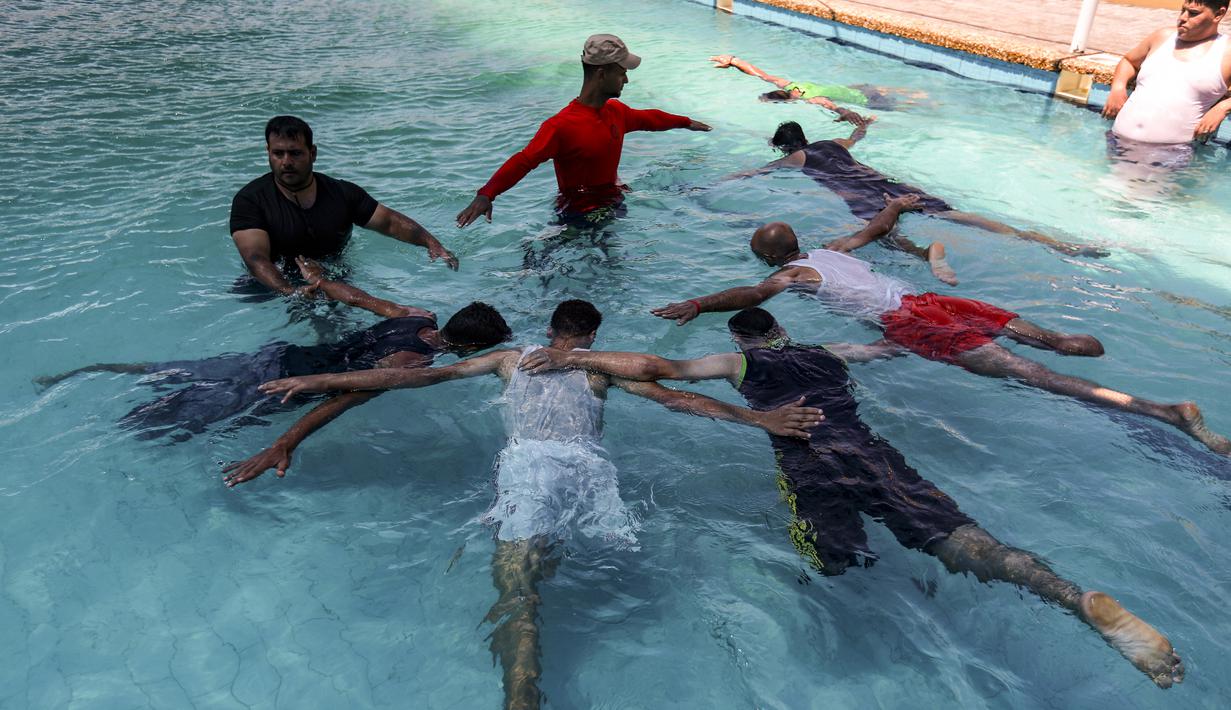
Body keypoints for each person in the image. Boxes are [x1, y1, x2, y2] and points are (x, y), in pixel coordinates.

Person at [514, 307, 1186, 689]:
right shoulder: (831, 353)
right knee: (970, 545)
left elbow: (659, 371)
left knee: (830, 564)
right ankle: (1071, 597)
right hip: (874, 454)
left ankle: (865, 603)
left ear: (742, 339)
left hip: (810, 467)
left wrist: (576, 359)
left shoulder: (742, 361)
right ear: (781, 329)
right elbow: (889, 349)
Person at [255, 299, 823, 709]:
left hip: (530, 470)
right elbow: (677, 398)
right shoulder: (603, 367)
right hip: (592, 474)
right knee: (560, 573)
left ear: (550, 330)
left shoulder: (510, 358)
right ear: (593, 335)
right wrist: (758, 418)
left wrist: (319, 380)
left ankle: (521, 699)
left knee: (519, 594)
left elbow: (427, 378)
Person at [649, 197, 1231, 456]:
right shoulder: (830, 250)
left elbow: (752, 295)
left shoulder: (791, 275)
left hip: (911, 321)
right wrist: (898, 206)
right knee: (1050, 346)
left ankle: (1163, 412)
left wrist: (698, 304)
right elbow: (873, 231)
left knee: (1031, 376)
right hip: (931, 300)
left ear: (770, 259)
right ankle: (1063, 338)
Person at [36, 258, 509, 442]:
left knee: (172, 371)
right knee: (175, 422)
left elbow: (361, 299)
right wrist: (293, 431)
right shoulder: (417, 363)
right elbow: (351, 394)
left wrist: (321, 281)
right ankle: (95, 434)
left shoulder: (417, 315)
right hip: (285, 384)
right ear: (469, 346)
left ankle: (82, 373)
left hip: (280, 355)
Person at [456, 34, 713, 228]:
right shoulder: (561, 126)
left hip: (613, 202)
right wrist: (486, 194)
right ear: (602, 74)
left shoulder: (616, 112)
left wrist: (685, 121)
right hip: (576, 214)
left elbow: (648, 118)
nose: (626, 79)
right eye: (622, 73)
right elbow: (524, 161)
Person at [753, 120, 1108, 258]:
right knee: (957, 216)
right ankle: (1047, 241)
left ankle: (924, 256)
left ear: (782, 146)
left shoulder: (793, 158)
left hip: (861, 195)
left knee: (882, 235)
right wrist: (861, 124)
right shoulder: (833, 143)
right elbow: (856, 136)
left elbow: (749, 174)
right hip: (886, 183)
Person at [230, 116, 458, 297]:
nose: (286, 162)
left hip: (333, 271)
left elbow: (388, 222)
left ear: (313, 153)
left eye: (295, 153)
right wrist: (291, 291)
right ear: (268, 153)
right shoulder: (250, 200)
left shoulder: (342, 193)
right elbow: (256, 258)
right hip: (271, 283)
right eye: (278, 153)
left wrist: (432, 244)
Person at [1103, 0, 1231, 150]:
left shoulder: (1226, 52)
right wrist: (1118, 88)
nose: (1182, 17)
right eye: (1182, 10)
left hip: (1169, 154)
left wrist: (1223, 107)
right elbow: (1129, 61)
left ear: (1219, 14)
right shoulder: (1163, 37)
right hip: (1117, 141)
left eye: (1193, 13)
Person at [708, 54, 921, 115]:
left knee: (910, 109)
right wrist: (734, 61)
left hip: (870, 100)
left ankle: (926, 106)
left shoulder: (810, 100)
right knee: (908, 95)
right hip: (858, 87)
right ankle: (919, 94)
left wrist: (845, 115)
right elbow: (759, 73)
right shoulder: (789, 84)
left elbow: (830, 105)